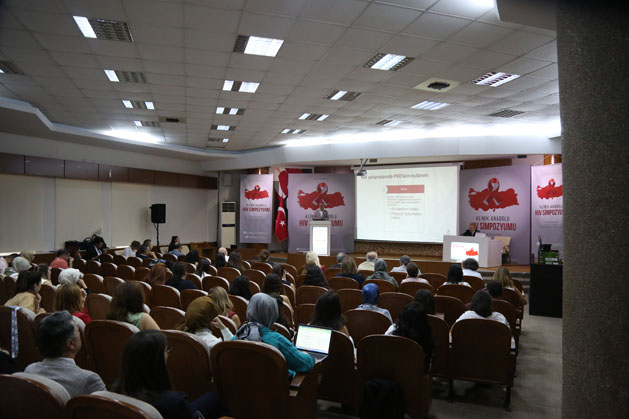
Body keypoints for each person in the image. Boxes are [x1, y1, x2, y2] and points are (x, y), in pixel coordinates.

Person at [113, 330, 225, 419]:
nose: (167, 354)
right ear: (156, 361)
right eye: (165, 351)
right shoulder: (173, 402)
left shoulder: (118, 387)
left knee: (212, 399)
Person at [25, 311, 105, 397]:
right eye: (78, 331)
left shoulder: (30, 371)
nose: (80, 334)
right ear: (70, 344)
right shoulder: (89, 380)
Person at [235, 293, 314, 379]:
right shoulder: (277, 340)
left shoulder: (237, 336)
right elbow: (305, 364)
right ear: (272, 314)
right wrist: (308, 355)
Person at [385, 302, 434, 371]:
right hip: (415, 375)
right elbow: (427, 366)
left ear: (402, 317)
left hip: (392, 372)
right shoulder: (426, 337)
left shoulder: (392, 330)